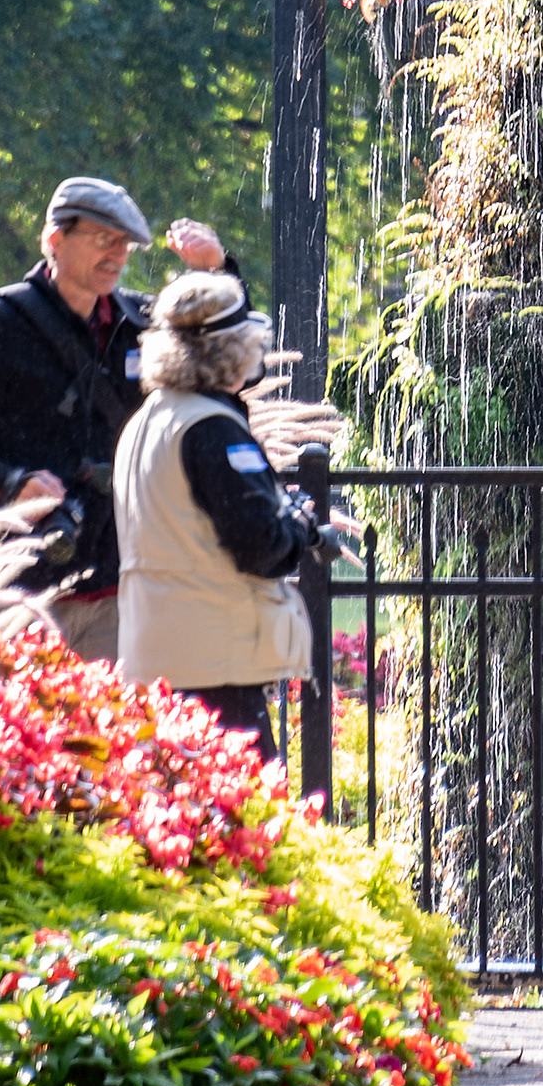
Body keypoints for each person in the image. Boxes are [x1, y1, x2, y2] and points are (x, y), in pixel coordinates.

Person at [0, 177, 232, 662]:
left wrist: (217, 275)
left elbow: (234, 367)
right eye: (102, 240)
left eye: (124, 245)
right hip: (19, 592)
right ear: (54, 240)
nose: (116, 255)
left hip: (120, 590)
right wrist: (8, 484)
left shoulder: (144, 325)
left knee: (116, 736)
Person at [115, 268, 329, 757]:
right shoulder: (211, 428)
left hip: (157, 659)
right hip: (216, 669)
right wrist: (301, 528)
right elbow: (261, 545)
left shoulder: (146, 421)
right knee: (246, 822)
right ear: (234, 352)